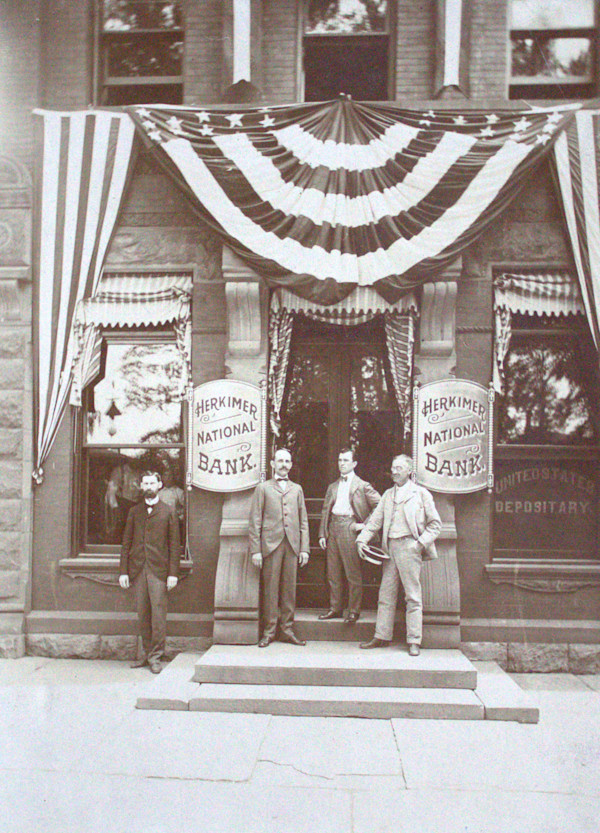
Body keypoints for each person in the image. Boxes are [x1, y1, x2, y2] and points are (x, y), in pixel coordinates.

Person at [356, 454, 441, 656]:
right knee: (386, 594)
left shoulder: (421, 494)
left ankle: (414, 640)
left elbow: (435, 525)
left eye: (399, 468)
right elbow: (375, 522)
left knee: (412, 595)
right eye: (393, 467)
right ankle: (382, 636)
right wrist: (362, 539)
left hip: (410, 548)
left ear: (409, 471)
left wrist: (419, 545)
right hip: (390, 549)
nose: (394, 471)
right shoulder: (387, 495)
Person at [119, 470, 180, 673]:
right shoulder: (134, 511)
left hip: (159, 571)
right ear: (141, 487)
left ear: (159, 485)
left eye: (152, 483)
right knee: (143, 613)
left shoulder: (168, 511)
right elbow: (126, 542)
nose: (148, 487)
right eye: (145, 483)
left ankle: (156, 656)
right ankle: (146, 654)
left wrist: (172, 573)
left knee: (158, 615)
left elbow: (174, 545)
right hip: (138, 570)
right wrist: (124, 571)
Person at [248, 448, 310, 648]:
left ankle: (287, 630)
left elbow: (303, 522)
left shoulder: (297, 489)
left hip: (292, 545)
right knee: (271, 589)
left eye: (287, 461)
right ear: (273, 463)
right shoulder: (263, 488)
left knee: (289, 590)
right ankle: (269, 631)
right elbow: (255, 521)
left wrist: (304, 549)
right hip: (270, 545)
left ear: (291, 465)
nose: (284, 464)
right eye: (280, 461)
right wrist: (256, 550)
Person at [317, 447, 380, 624]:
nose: (341, 464)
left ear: (354, 463)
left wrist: (364, 525)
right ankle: (335, 608)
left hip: (349, 527)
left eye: (345, 460)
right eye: (339, 460)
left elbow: (380, 505)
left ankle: (354, 610)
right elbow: (325, 510)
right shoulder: (333, 486)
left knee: (352, 572)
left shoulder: (362, 485)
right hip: (333, 527)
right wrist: (322, 533)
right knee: (333, 571)